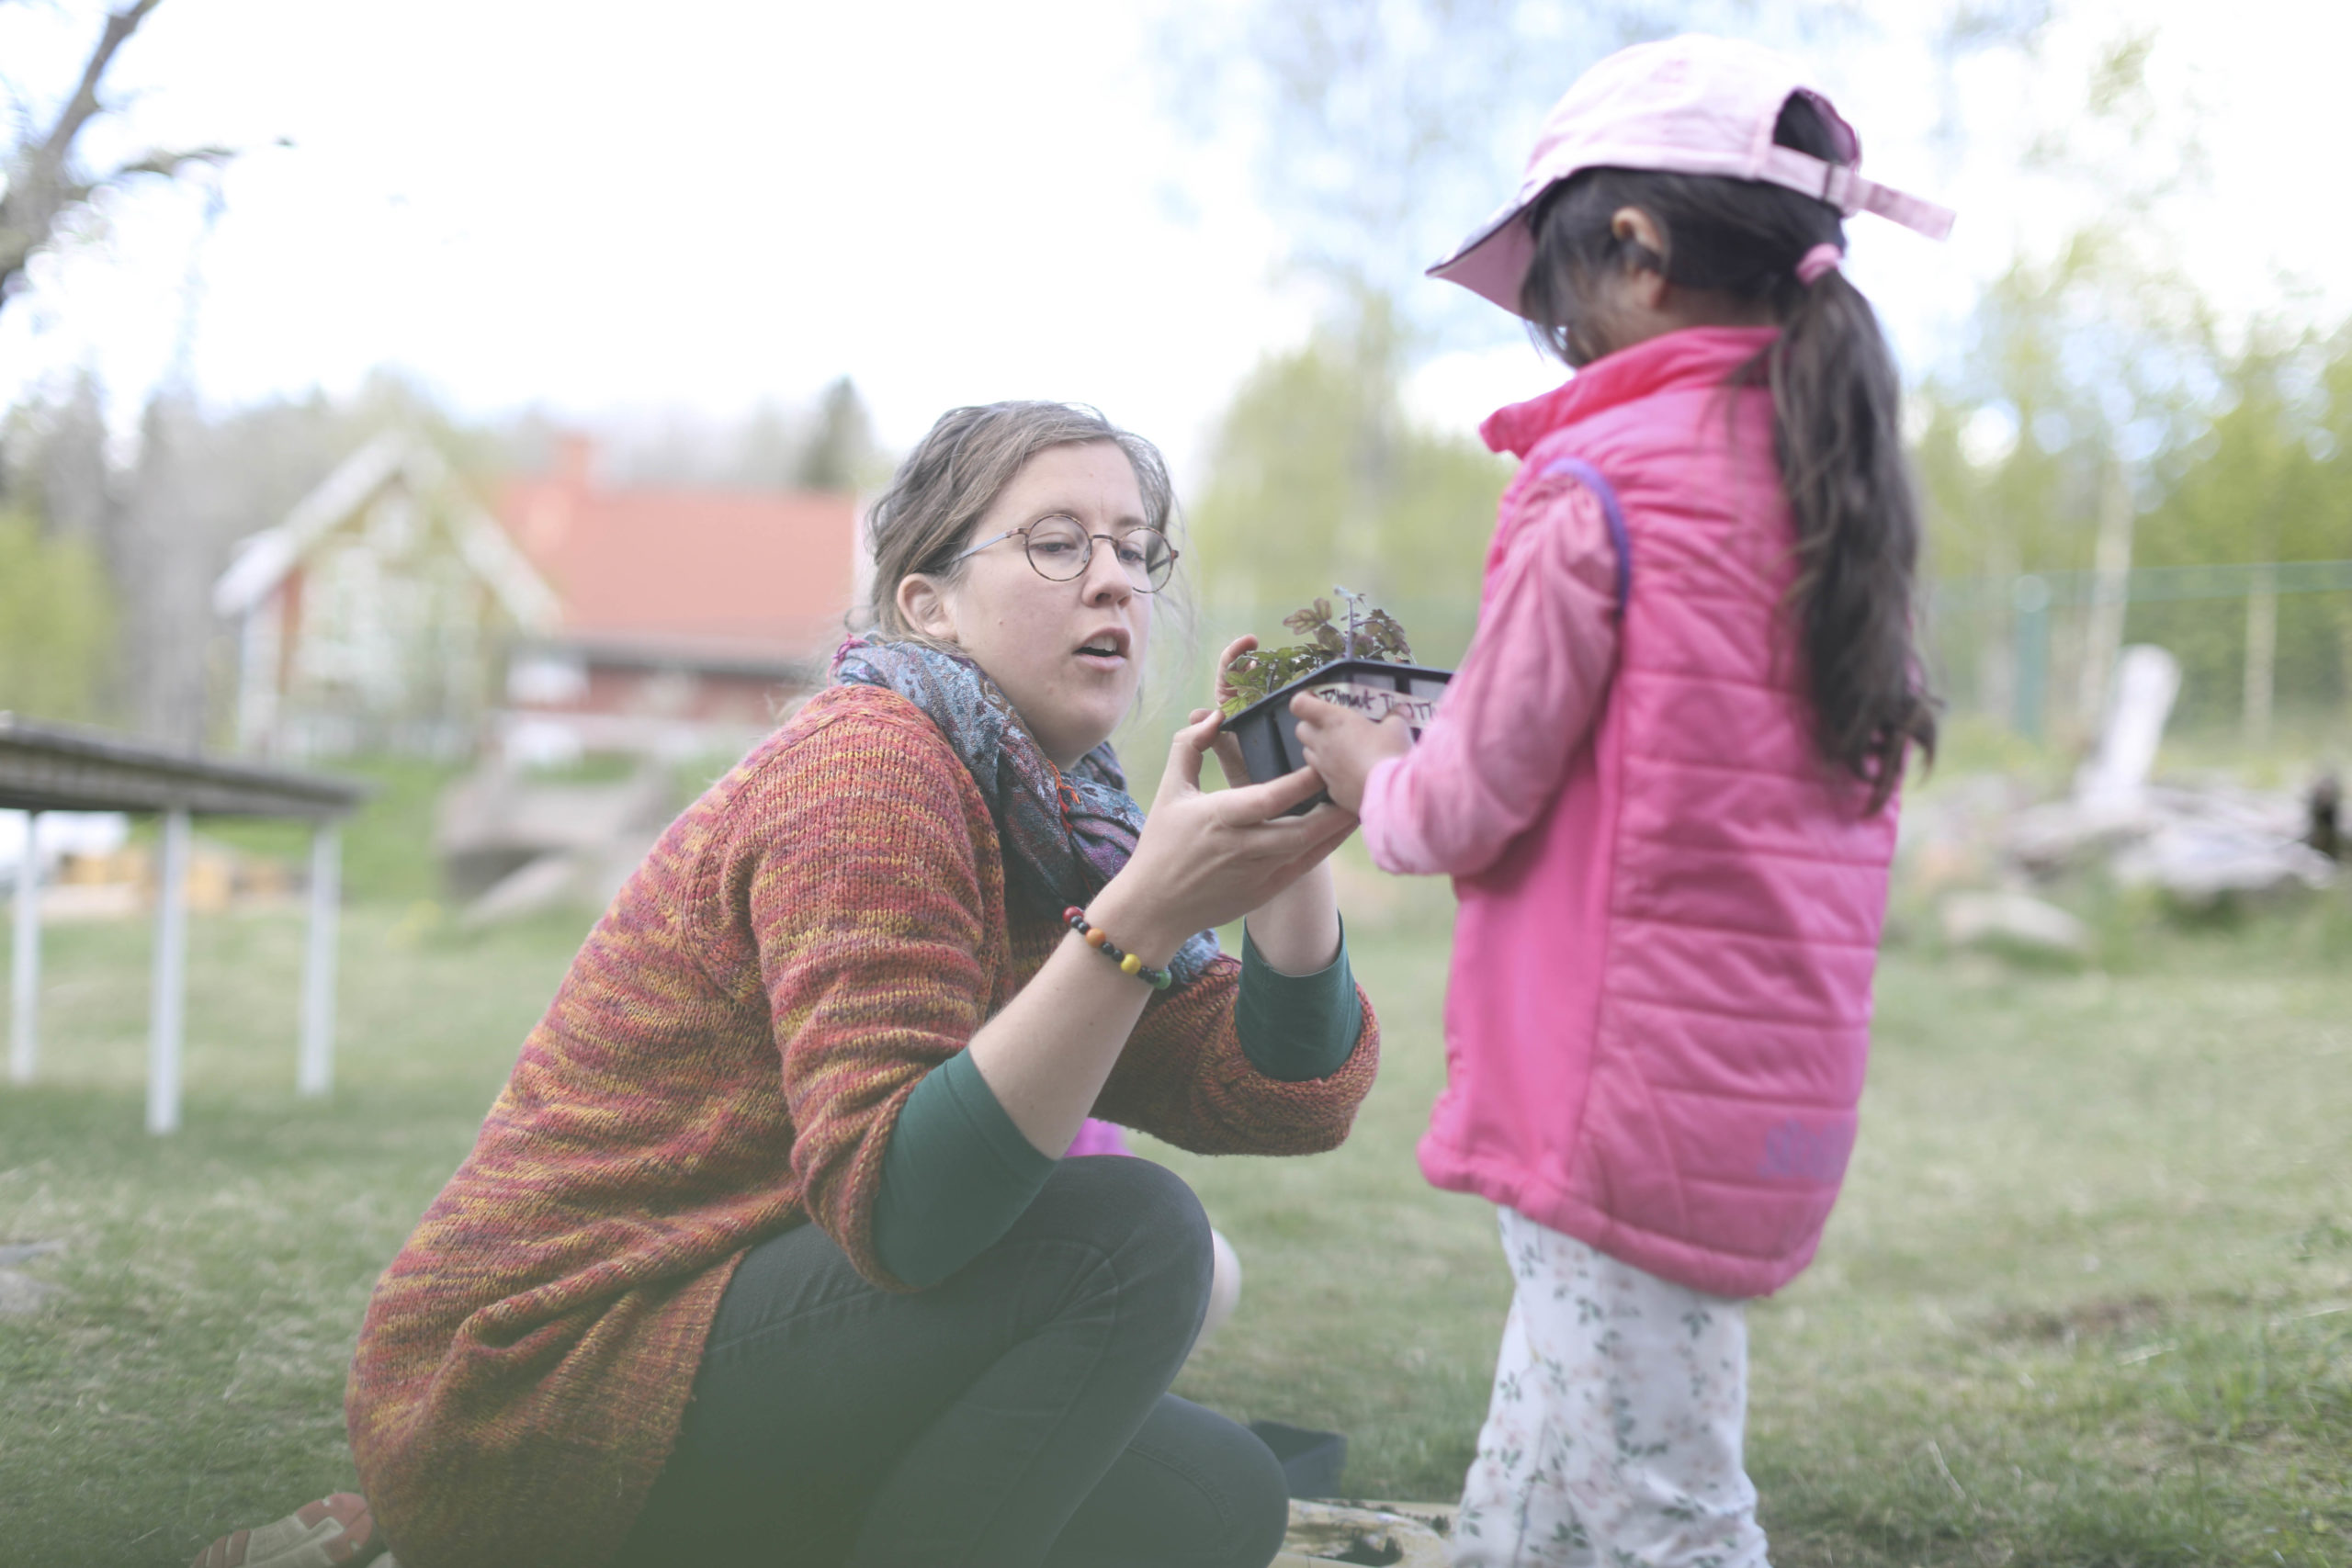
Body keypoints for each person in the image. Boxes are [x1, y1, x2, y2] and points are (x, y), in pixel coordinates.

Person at [195, 401, 1378, 1568]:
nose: (1117, 580)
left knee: (1218, 1498)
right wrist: (1143, 915)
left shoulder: (1062, 832)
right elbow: (906, 1213)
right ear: (931, 606)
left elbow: (1283, 1095)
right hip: (543, 1386)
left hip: (747, 1346)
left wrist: (1295, 837)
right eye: (1058, 542)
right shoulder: (869, 767)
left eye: (1135, 548)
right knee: (1131, 1237)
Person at [1290, 36, 1951, 1568]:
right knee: (1534, 1483)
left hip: (1607, 1095)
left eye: (1555, 308)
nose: (1558, 347)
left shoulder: (1597, 490)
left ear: (1636, 253)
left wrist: (1371, 772)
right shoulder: (1825, 486)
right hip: (1751, 1087)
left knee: (1669, 1517)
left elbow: (1459, 811)